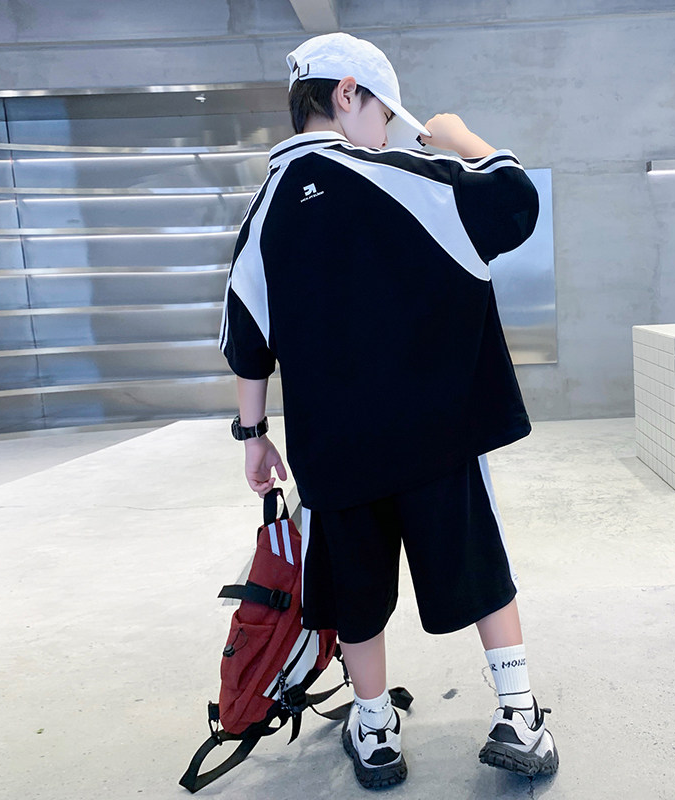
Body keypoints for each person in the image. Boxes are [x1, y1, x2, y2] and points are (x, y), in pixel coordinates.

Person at [219, 31, 558, 790]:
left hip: (334, 453)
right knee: (478, 568)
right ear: (348, 94)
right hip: (436, 436)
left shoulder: (263, 211)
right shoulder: (410, 177)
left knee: (356, 592)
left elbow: (247, 335)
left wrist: (254, 435)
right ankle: (519, 714)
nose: (385, 131)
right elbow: (514, 200)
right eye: (383, 113)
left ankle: (373, 731)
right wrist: (458, 136)